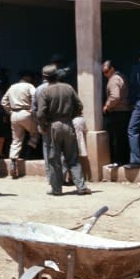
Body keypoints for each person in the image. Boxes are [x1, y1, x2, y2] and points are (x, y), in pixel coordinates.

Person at [36, 64, 91, 196]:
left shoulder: (45, 92)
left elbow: (40, 114)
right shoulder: (68, 88)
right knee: (73, 157)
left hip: (53, 126)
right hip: (68, 124)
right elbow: (79, 106)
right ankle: (81, 187)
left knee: (54, 160)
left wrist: (43, 125)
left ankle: (56, 189)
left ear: (45, 77)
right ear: (57, 75)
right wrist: (70, 116)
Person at [1, 69, 39, 178]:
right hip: (26, 112)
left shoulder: (12, 87)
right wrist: (32, 109)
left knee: (16, 139)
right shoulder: (29, 86)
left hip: (14, 114)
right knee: (35, 133)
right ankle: (28, 154)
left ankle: (13, 161)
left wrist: (10, 111)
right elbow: (35, 97)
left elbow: (3, 101)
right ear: (28, 77)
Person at [102, 60, 132, 166]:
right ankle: (124, 160)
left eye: (106, 71)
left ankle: (118, 161)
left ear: (112, 69)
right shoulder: (121, 77)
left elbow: (115, 96)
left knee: (117, 138)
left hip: (117, 112)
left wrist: (107, 106)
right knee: (122, 137)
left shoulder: (114, 79)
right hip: (124, 111)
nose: (105, 75)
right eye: (103, 72)